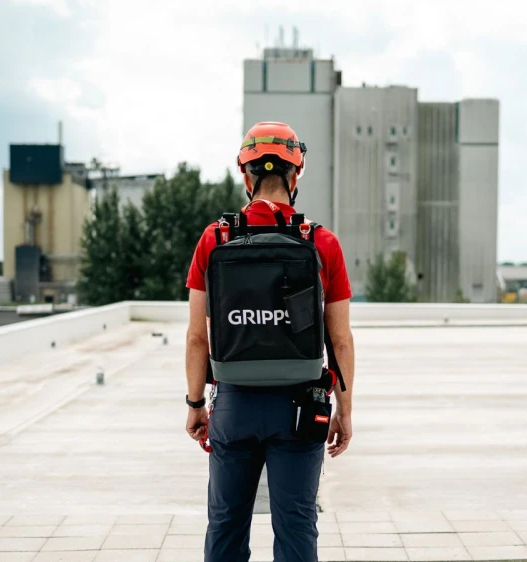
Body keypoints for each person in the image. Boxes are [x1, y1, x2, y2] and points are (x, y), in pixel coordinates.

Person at [184, 121, 356, 562]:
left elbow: (196, 336)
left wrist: (195, 404)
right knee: (297, 527)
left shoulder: (215, 238)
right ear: (296, 176)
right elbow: (339, 338)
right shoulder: (321, 242)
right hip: (300, 407)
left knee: (225, 524)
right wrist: (345, 410)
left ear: (245, 176)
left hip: (234, 403)